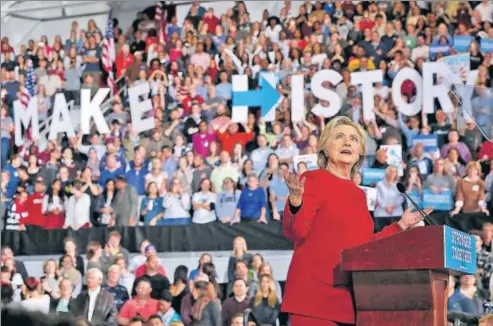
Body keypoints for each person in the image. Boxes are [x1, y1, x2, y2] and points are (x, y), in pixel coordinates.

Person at [282, 116, 429, 326]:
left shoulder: (359, 195)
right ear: (324, 148)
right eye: (339, 137)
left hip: (350, 302)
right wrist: (296, 203)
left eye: (353, 139)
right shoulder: (312, 180)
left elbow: (365, 246)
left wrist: (401, 226)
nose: (347, 142)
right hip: (313, 299)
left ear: (360, 151)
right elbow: (296, 232)